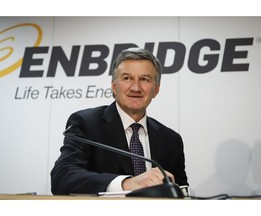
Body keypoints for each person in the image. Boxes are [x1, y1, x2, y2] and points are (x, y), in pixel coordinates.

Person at [50, 47, 189, 196]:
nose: (136, 88)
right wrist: (127, 183)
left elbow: (182, 191)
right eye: (127, 78)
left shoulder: (170, 140)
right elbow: (62, 177)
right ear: (114, 86)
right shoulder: (86, 123)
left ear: (156, 89)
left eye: (144, 79)